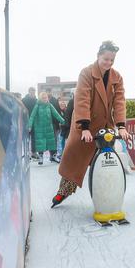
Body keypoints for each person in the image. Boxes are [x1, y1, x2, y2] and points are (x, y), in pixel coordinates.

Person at [51, 40, 130, 208]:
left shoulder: (117, 77)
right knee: (74, 162)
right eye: (105, 59)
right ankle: (63, 191)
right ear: (98, 56)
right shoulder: (87, 73)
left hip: (105, 128)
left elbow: (119, 102)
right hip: (84, 126)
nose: (108, 63)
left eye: (112, 60)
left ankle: (108, 194)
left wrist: (121, 126)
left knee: (106, 163)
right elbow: (82, 100)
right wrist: (84, 127)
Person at [28, 92, 65, 165]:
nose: (45, 99)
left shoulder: (49, 105)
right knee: (40, 143)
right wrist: (30, 126)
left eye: (46, 98)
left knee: (52, 142)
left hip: (49, 127)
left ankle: (53, 156)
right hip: (39, 128)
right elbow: (32, 116)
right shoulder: (37, 106)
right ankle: (41, 157)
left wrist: (63, 121)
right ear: (40, 98)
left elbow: (56, 114)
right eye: (43, 98)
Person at [22, 87, 38, 159]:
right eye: (31, 91)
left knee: (34, 138)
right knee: (26, 138)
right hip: (26, 121)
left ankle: (34, 153)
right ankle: (26, 153)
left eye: (34, 91)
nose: (33, 92)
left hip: (35, 122)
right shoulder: (24, 100)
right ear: (29, 91)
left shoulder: (37, 100)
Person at [48, 93, 62, 163]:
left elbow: (57, 112)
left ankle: (53, 155)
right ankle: (52, 155)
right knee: (52, 140)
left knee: (54, 140)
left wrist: (60, 121)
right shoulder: (50, 101)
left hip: (54, 124)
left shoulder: (54, 101)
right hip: (50, 124)